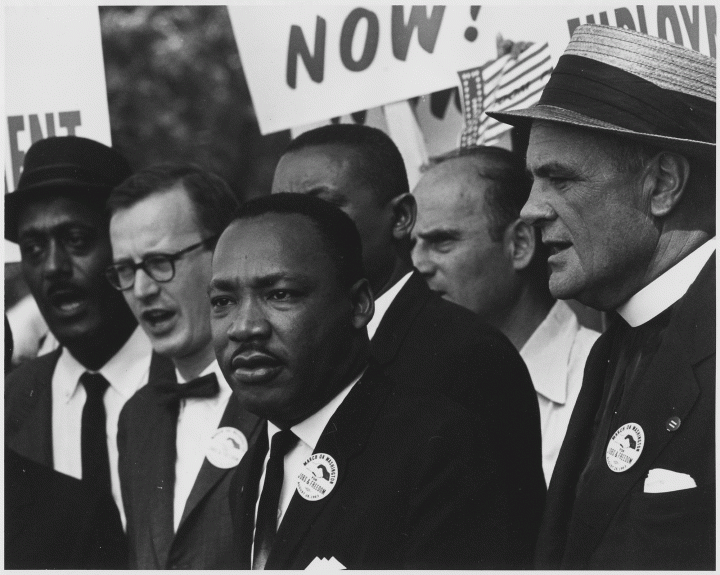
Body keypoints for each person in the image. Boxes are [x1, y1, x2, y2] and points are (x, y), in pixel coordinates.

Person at [488, 24, 716, 569]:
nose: (531, 209)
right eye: (533, 181)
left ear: (662, 184)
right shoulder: (616, 345)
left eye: (560, 180)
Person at [271, 123, 545, 565]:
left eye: (322, 208)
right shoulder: (298, 356)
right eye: (281, 210)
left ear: (400, 218)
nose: (293, 231)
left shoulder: (466, 352)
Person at [212, 193, 515, 569]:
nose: (244, 327)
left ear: (358, 305)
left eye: (280, 294)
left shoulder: (437, 448)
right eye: (222, 301)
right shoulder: (254, 462)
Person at [4, 136, 173, 568]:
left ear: (124, 247)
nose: (53, 267)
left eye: (76, 239)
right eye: (33, 249)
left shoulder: (195, 379)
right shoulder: (10, 403)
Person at [412, 145, 600, 484]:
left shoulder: (601, 378)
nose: (418, 264)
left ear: (520, 245)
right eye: (412, 245)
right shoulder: (415, 386)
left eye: (441, 241)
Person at [107, 164, 262, 569]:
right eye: (125, 270)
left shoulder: (283, 396)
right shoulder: (137, 418)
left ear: (225, 250)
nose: (141, 290)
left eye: (160, 261)